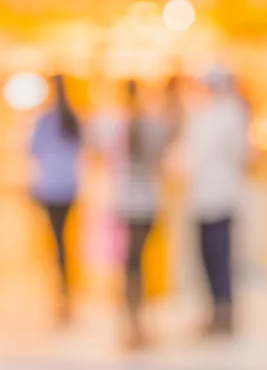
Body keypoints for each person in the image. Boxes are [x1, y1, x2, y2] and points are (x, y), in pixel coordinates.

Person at [101, 79, 173, 349]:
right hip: (148, 204)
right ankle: (140, 323)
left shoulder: (116, 126)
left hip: (126, 204)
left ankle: (134, 323)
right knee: (139, 264)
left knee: (130, 265)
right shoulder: (151, 126)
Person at [183, 68, 249, 336]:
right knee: (208, 258)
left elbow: (236, 154)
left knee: (220, 258)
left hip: (220, 198)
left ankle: (224, 314)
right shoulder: (206, 113)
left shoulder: (229, 114)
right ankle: (215, 311)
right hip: (204, 198)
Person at [30, 75, 81, 324]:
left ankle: (62, 287)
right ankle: (67, 284)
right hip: (70, 186)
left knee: (56, 238)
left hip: (51, 187)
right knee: (66, 236)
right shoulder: (73, 118)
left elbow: (33, 149)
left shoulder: (46, 120)